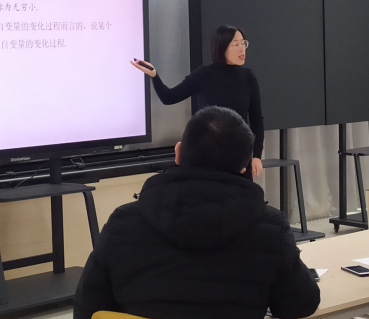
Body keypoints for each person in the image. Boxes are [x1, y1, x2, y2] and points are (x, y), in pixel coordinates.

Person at [73, 106, 320, 319]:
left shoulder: (122, 224)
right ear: (244, 167)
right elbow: (300, 304)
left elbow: (87, 310)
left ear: (178, 152)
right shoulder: (270, 230)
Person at [131, 24, 264, 180]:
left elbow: (257, 120)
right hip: (209, 156)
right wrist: (154, 75)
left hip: (239, 158)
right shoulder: (204, 75)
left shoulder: (248, 77)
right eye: (236, 44)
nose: (242, 49)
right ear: (221, 47)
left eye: (243, 43)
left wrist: (257, 156)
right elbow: (168, 97)